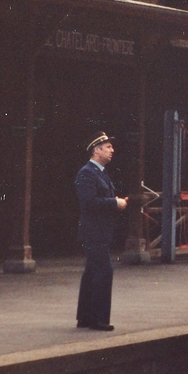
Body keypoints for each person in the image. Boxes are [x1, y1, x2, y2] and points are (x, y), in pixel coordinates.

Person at [75, 132, 128, 331]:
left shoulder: (101, 172)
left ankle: (85, 317)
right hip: (93, 231)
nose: (112, 150)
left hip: (99, 231)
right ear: (96, 150)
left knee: (91, 272)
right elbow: (89, 203)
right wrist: (115, 203)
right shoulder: (86, 173)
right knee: (104, 271)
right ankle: (98, 320)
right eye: (107, 147)